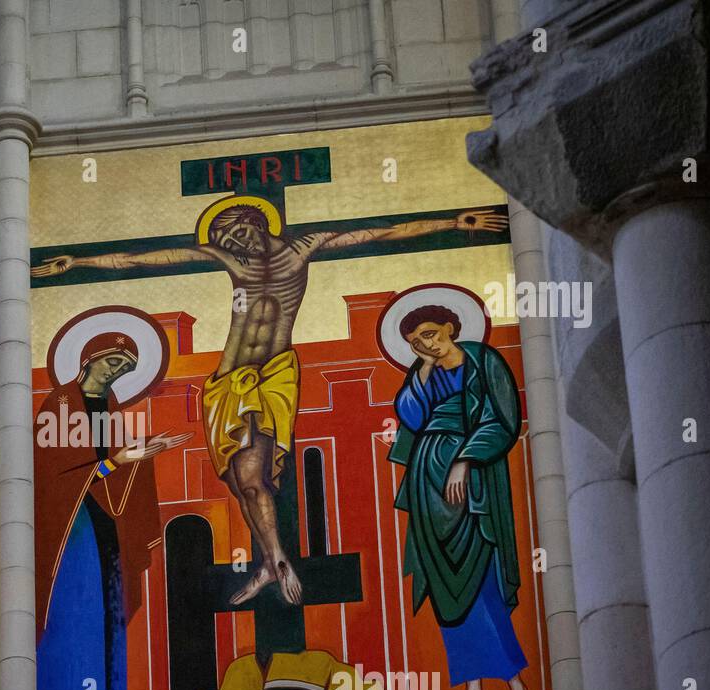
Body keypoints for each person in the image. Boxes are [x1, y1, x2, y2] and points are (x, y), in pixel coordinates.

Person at [34, 203, 507, 606]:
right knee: (240, 485)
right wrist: (78, 262)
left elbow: (381, 232)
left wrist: (453, 223)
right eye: (225, 239)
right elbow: (143, 259)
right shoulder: (229, 257)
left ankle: (278, 561)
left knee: (255, 481)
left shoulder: (304, 247)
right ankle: (266, 562)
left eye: (237, 233)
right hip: (226, 383)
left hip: (274, 376)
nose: (233, 243)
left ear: (258, 222)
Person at [33, 332, 187, 690]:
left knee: (110, 623)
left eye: (125, 368)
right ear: (88, 359)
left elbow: (115, 470)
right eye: (113, 362)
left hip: (108, 532)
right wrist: (120, 460)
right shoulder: (59, 407)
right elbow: (54, 477)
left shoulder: (112, 411)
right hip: (71, 534)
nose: (116, 372)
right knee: (76, 621)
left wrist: (142, 456)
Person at [388, 304, 541, 690]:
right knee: (446, 587)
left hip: (473, 485)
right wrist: (422, 367)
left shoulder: (483, 360)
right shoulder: (424, 372)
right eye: (416, 342)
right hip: (428, 484)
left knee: (482, 578)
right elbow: (411, 417)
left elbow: (503, 418)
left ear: (450, 327)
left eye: (430, 333)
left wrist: (465, 459)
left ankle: (516, 686)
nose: (427, 344)